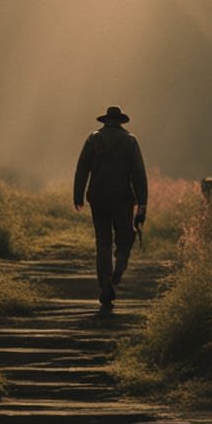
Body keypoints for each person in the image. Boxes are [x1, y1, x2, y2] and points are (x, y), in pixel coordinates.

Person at [73, 105, 148, 307]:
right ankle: (120, 266)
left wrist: (78, 196)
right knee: (124, 240)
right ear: (121, 121)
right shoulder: (130, 141)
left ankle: (105, 283)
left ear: (105, 121)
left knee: (103, 243)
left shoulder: (93, 139)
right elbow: (139, 174)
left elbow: (82, 169)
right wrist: (142, 202)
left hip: (98, 198)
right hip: (123, 199)